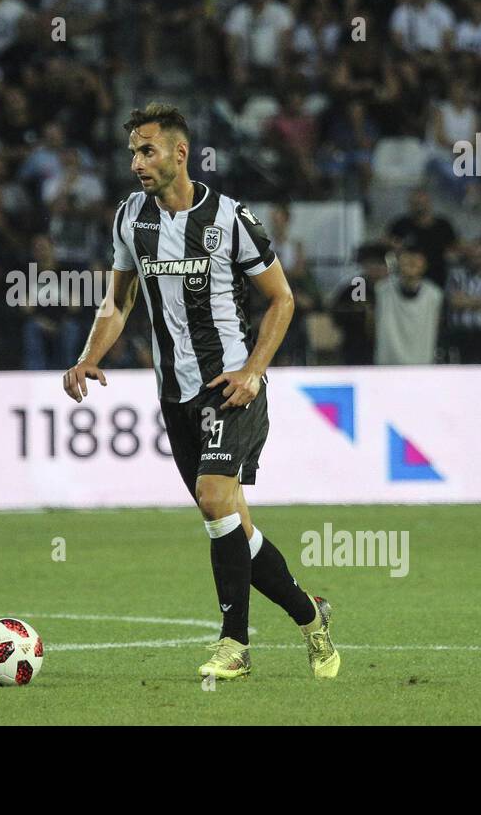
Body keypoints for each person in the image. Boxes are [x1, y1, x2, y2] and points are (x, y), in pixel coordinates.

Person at [61, 102, 339, 682]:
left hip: (230, 385)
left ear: (179, 153)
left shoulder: (231, 218)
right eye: (132, 152)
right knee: (233, 523)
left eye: (147, 150)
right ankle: (311, 616)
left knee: (215, 499)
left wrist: (254, 372)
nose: (136, 162)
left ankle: (234, 643)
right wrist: (89, 357)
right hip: (175, 396)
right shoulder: (129, 219)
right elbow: (119, 302)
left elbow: (282, 299)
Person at [375, 249, 444, 365]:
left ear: (425, 265)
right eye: (407, 257)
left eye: (417, 258)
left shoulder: (434, 294)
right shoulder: (382, 290)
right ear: (398, 262)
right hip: (387, 366)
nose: (412, 262)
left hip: (422, 366)